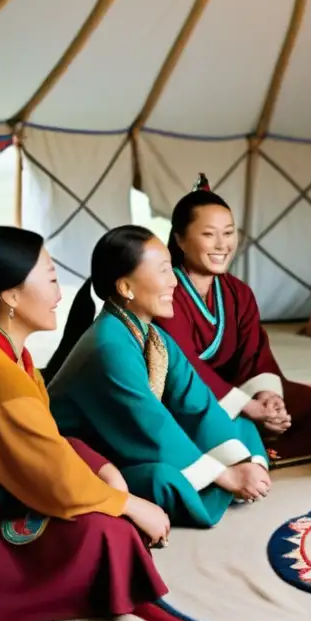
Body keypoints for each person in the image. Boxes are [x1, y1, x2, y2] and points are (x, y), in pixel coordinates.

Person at [0, 227, 169, 621]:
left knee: (112, 508)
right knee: (107, 533)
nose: (60, 294)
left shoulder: (11, 358)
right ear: (12, 296)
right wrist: (130, 505)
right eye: (51, 279)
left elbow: (45, 440)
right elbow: (56, 481)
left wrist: (105, 473)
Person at [46, 225, 272, 528]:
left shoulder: (150, 335)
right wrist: (226, 475)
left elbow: (196, 400)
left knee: (237, 422)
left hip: (134, 438)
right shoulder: (107, 345)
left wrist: (239, 463)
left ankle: (242, 476)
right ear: (126, 288)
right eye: (163, 271)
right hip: (94, 455)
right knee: (163, 479)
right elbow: (149, 424)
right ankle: (225, 486)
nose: (174, 282)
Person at [155, 175, 311, 465]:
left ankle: (260, 442)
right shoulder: (166, 293)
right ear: (180, 238)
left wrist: (267, 397)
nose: (222, 245)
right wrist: (247, 407)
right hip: (188, 393)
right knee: (205, 425)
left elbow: (255, 354)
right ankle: (248, 447)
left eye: (229, 233)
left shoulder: (238, 293)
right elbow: (185, 368)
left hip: (237, 387)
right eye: (208, 234)